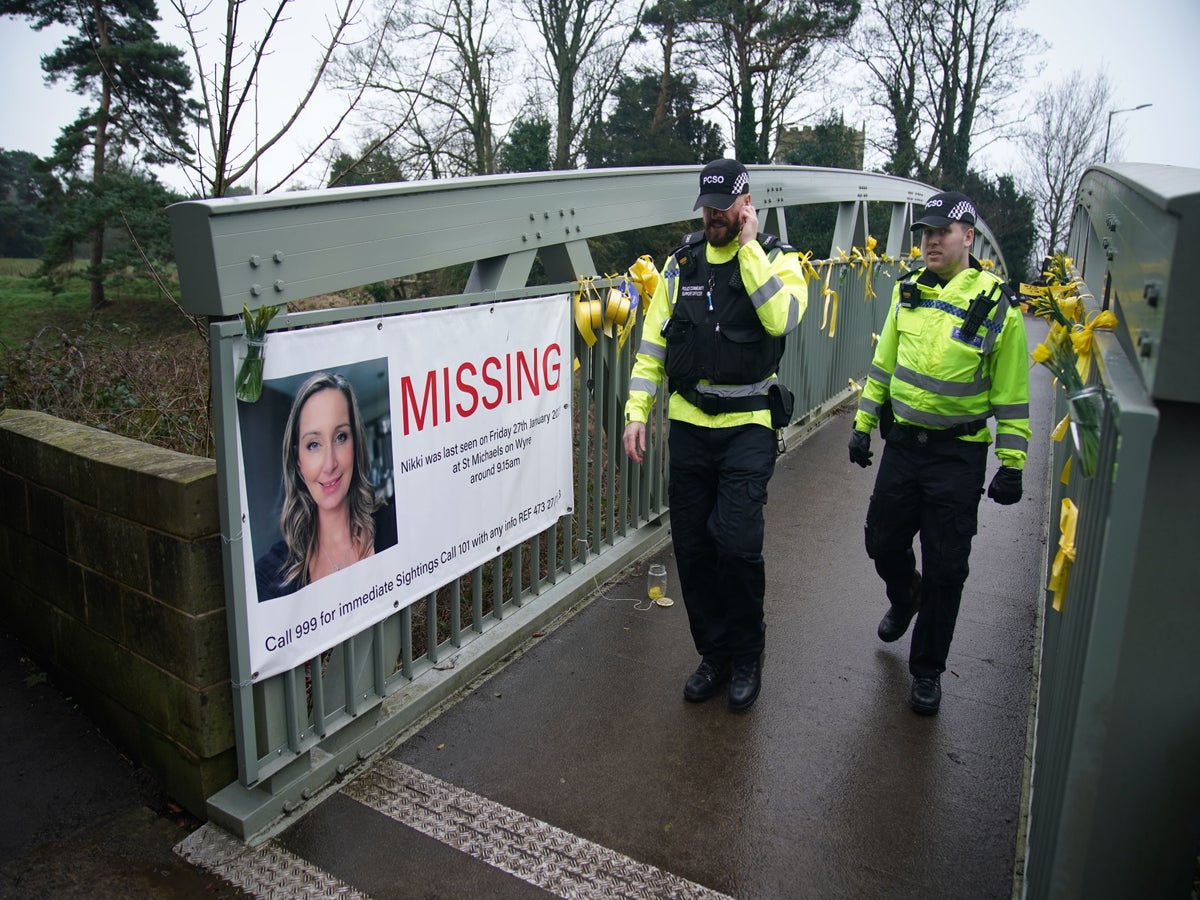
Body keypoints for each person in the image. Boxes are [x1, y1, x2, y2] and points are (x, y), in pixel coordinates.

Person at [622, 159, 807, 711]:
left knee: (737, 543)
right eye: (707, 205)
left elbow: (783, 319)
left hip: (748, 426)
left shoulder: (779, 259)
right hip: (689, 426)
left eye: (724, 206)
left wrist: (749, 249)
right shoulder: (681, 265)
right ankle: (715, 655)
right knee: (694, 548)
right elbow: (654, 344)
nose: (713, 216)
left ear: (746, 202)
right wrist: (637, 410)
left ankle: (748, 655)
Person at [848, 190, 1030, 715]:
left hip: (958, 455)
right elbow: (884, 364)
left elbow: (1012, 394)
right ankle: (905, 594)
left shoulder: (998, 305)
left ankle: (927, 671)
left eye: (940, 233)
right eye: (925, 233)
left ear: (967, 238)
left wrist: (1012, 464)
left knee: (948, 568)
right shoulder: (908, 291)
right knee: (881, 542)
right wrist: (863, 425)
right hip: (903, 445)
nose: (929, 241)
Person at [255, 371, 397, 601]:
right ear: (298, 461)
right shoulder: (269, 577)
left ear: (356, 444)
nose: (329, 464)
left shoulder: (393, 525)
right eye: (313, 444)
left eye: (341, 437)